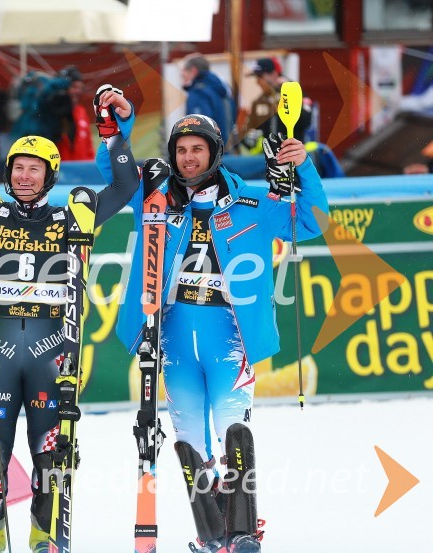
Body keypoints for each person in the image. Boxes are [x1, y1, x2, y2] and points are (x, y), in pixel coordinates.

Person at [97, 112, 328, 552]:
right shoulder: (153, 198)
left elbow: (313, 221)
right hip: (174, 338)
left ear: (215, 152)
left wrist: (305, 167)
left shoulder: (254, 205)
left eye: (197, 149)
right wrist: (116, 131)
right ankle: (212, 534)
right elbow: (117, 175)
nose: (187, 158)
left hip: (228, 339)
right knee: (188, 445)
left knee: (233, 434)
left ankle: (243, 530)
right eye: (181, 150)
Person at [0, 82, 139, 553]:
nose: (25, 176)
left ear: (51, 175)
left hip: (54, 358)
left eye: (35, 169)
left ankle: (44, 537)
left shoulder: (75, 217)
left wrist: (114, 134)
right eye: (18, 168)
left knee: (52, 456)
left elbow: (128, 186)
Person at [242, 57, 314, 150]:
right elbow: (250, 129)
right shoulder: (259, 101)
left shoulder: (294, 93)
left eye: (260, 77)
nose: (257, 82)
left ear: (274, 74)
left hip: (293, 154)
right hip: (268, 158)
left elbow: (306, 120)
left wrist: (281, 99)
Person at [180, 53, 236, 144]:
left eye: (183, 76)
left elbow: (199, 128)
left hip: (207, 152)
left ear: (193, 71)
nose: (183, 80)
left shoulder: (198, 93)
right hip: (224, 149)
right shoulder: (221, 90)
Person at [55, 66, 96, 161]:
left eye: (80, 87)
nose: (77, 91)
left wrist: (91, 167)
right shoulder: (51, 113)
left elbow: (88, 147)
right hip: (59, 172)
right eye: (73, 87)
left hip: (80, 171)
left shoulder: (81, 112)